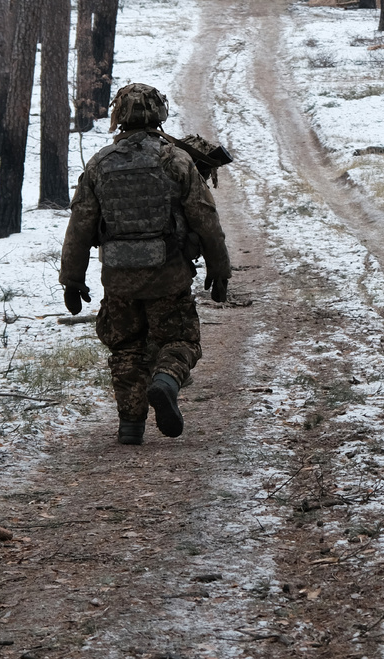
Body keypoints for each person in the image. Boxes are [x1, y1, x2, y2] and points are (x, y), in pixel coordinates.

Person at [59, 83, 232, 445]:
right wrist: (219, 268)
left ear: (118, 116)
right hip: (168, 274)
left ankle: (130, 424)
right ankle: (166, 380)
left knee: (126, 346)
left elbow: (80, 223)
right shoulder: (177, 160)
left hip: (118, 278)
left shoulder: (100, 164)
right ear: (159, 113)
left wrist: (72, 278)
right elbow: (205, 218)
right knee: (180, 338)